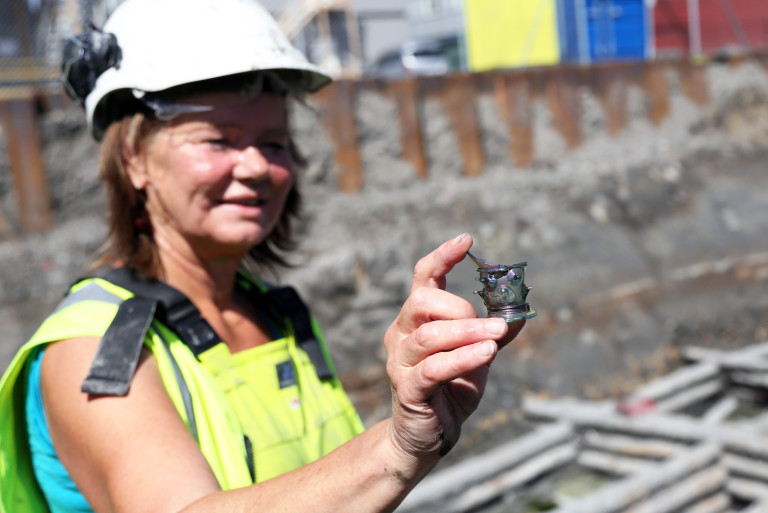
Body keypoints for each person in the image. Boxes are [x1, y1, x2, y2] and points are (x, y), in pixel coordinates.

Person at [0, 0, 525, 512]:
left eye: (273, 143)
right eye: (218, 140)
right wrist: (397, 446)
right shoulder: (90, 347)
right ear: (134, 158)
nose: (255, 167)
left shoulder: (278, 315)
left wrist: (419, 413)